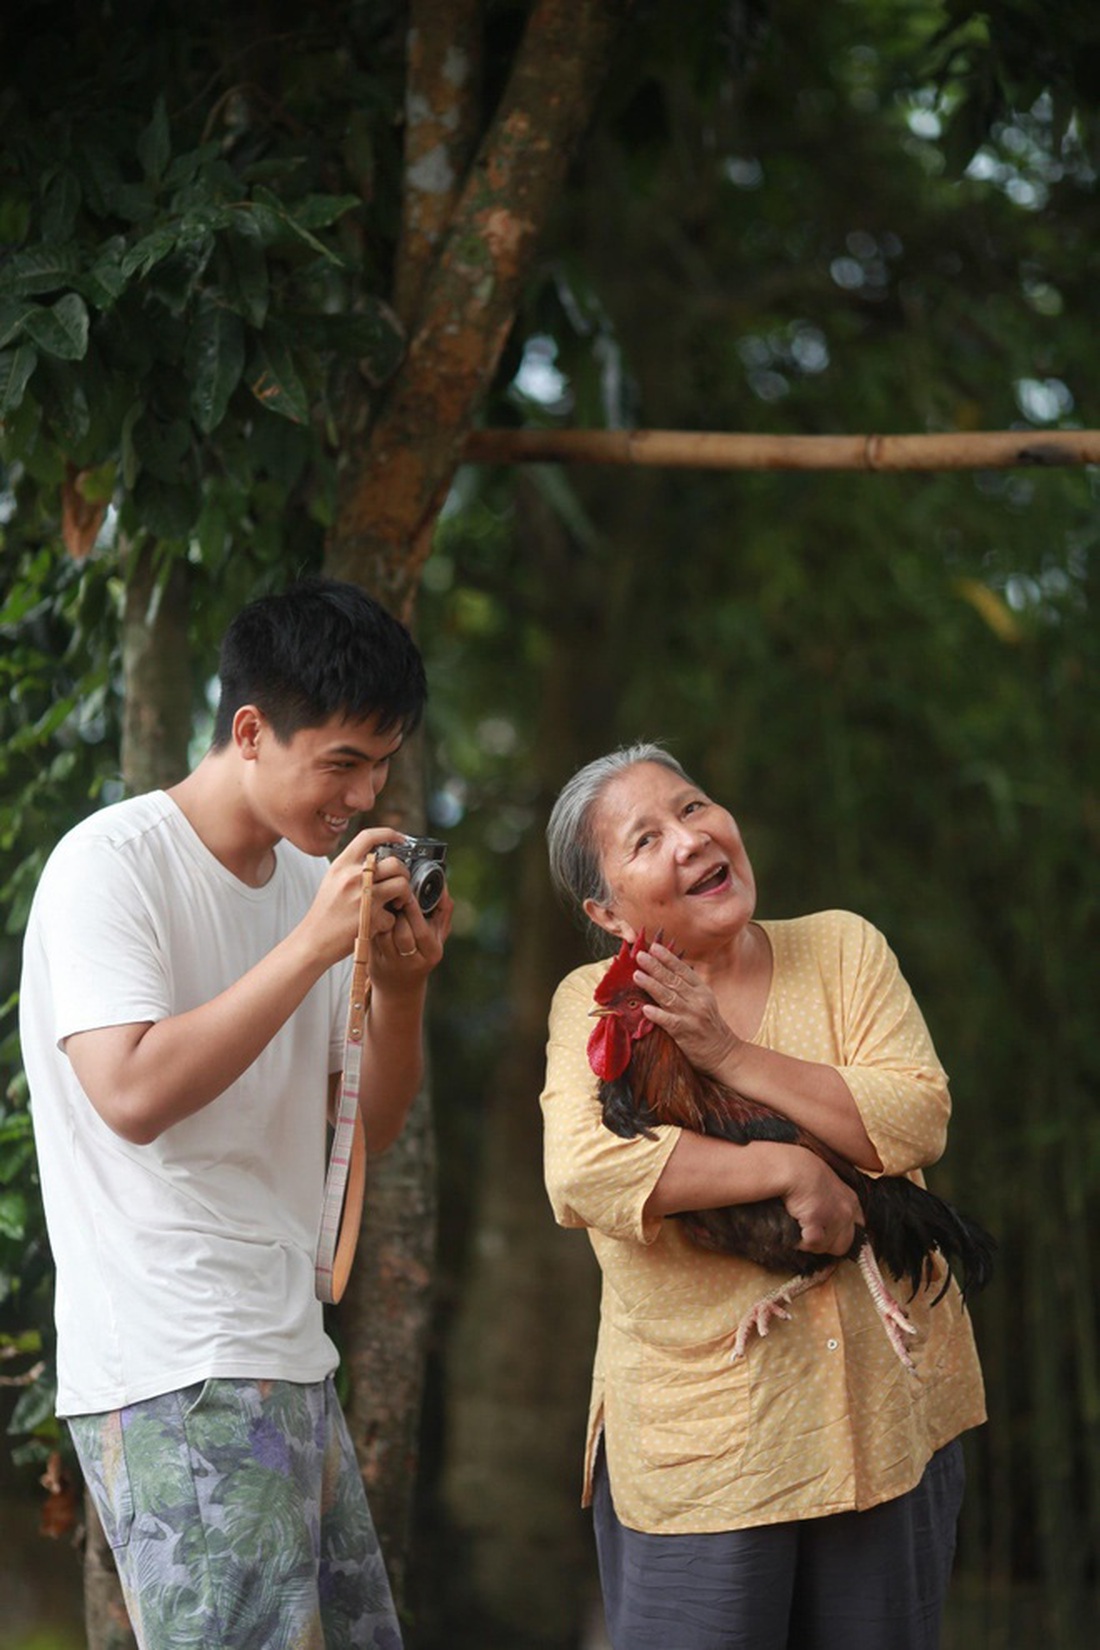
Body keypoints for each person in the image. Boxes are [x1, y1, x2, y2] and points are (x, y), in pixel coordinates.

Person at [19, 576, 453, 1650]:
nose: (361, 794)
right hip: (174, 1360)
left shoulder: (310, 879)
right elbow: (129, 1092)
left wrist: (400, 990)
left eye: (381, 764)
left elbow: (362, 1133)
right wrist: (310, 945)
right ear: (249, 731)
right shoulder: (111, 865)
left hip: (285, 1354)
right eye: (340, 762)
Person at [540, 742, 986, 1650]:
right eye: (646, 837)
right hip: (704, 1457)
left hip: (885, 1426)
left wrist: (732, 1057)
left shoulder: (844, 948)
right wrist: (792, 1171)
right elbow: (582, 1171)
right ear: (607, 909)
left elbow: (914, 1116)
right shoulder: (594, 1000)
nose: (690, 838)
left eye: (695, 807)